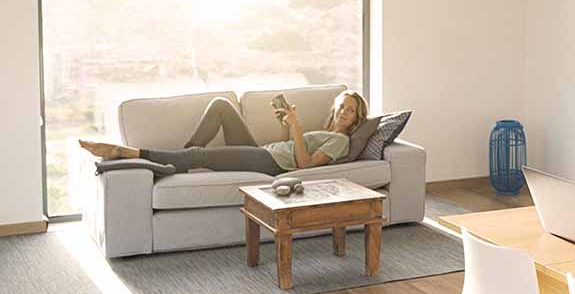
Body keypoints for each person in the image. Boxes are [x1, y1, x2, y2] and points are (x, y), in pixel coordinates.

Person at [79, 90, 368, 176]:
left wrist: (297, 126)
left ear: (357, 118)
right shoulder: (324, 130)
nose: (344, 112)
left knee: (198, 155)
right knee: (221, 106)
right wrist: (285, 123)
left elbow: (303, 165)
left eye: (350, 110)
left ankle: (127, 152)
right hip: (264, 151)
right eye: (342, 106)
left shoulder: (341, 141)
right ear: (334, 108)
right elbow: (288, 146)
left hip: (269, 164)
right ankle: (182, 160)